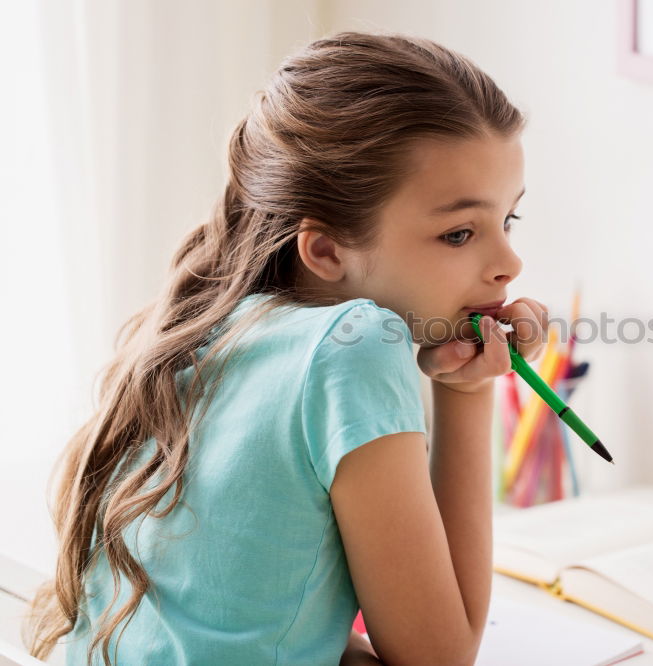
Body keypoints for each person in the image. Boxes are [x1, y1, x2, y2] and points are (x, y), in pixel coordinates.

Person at [25, 31, 549, 666]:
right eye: (459, 233)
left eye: (508, 220)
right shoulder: (356, 345)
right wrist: (467, 391)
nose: (509, 263)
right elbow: (438, 657)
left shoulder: (205, 327)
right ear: (325, 250)